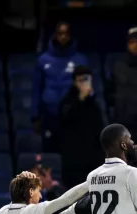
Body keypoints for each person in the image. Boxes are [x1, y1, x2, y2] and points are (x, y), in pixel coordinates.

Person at [31, 22, 88, 152]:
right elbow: (36, 89)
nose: (63, 37)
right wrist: (35, 116)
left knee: (72, 154)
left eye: (66, 33)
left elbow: (86, 89)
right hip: (50, 115)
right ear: (55, 35)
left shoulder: (81, 60)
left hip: (74, 117)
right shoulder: (43, 60)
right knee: (50, 155)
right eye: (60, 33)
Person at [58, 65, 104, 188]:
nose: (84, 83)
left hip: (93, 160)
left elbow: (100, 129)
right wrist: (81, 99)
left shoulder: (95, 104)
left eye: (86, 79)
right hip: (74, 161)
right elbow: (66, 119)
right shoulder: (67, 101)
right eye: (80, 80)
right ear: (74, 82)